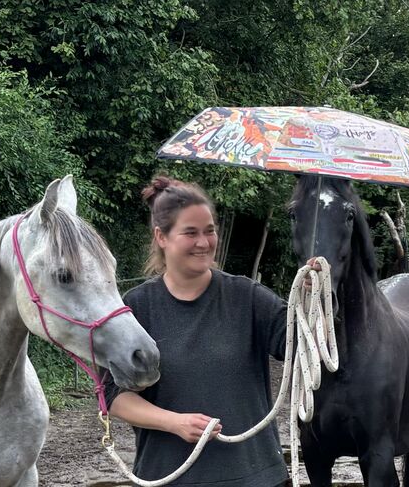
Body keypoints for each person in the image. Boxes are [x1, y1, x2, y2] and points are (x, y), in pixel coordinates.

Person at [104, 175, 290, 487]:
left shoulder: (248, 296)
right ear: (162, 237)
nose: (203, 243)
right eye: (190, 233)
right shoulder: (137, 307)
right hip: (169, 476)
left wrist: (319, 296)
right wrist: (174, 422)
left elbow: (299, 344)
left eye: (209, 231)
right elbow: (113, 395)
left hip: (256, 476)